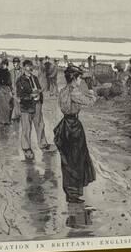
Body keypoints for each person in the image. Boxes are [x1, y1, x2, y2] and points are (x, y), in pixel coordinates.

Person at [53, 65, 97, 203]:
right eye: (79, 78)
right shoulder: (74, 92)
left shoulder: (63, 91)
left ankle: (70, 192)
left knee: (67, 160)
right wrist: (90, 89)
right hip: (73, 127)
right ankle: (73, 193)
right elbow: (91, 102)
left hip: (65, 125)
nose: (80, 81)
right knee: (76, 160)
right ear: (75, 78)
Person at [16, 60, 55, 160]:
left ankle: (43, 145)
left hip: (37, 105)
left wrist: (39, 98)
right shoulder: (20, 80)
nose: (30, 68)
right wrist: (30, 96)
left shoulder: (35, 78)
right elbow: (20, 96)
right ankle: (26, 148)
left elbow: (39, 89)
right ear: (24, 67)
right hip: (26, 107)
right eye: (28, 66)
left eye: (31, 66)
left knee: (40, 125)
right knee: (26, 128)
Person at [10, 57, 22, 121]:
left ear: (19, 63)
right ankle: (15, 115)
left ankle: (20, 115)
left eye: (17, 63)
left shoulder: (23, 71)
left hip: (21, 89)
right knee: (14, 101)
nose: (16, 65)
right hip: (14, 89)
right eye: (14, 63)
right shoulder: (11, 72)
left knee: (20, 101)